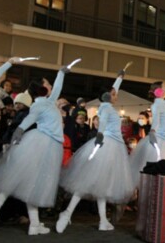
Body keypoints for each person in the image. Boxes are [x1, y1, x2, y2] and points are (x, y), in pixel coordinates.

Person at [0, 60, 78, 235]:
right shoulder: (39, 105)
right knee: (15, 180)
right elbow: (29, 120)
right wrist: (19, 131)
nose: (51, 85)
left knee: (32, 184)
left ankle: (34, 223)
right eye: (47, 83)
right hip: (40, 145)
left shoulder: (49, 102)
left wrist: (61, 73)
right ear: (42, 89)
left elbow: (57, 89)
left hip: (49, 146)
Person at [56, 68, 134, 233]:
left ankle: (102, 220)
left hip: (110, 146)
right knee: (88, 182)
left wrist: (119, 78)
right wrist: (99, 136)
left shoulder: (106, 105)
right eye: (114, 94)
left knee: (100, 185)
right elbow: (103, 122)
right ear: (107, 96)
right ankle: (68, 212)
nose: (116, 95)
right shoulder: (106, 108)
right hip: (107, 146)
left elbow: (111, 92)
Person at [129, 70, 165, 188]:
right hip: (160, 140)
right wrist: (153, 132)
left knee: (164, 171)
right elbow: (156, 122)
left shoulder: (164, 103)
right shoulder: (156, 105)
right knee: (159, 169)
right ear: (159, 91)